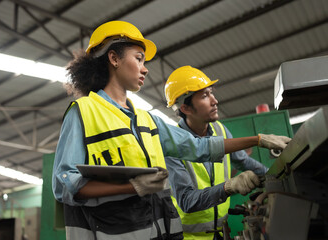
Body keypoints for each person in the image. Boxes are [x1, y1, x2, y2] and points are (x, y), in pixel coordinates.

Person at [52, 21, 291, 240]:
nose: (145, 69)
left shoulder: (147, 120)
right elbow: (64, 185)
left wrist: (260, 140)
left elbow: (199, 146)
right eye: (138, 58)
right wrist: (131, 187)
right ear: (114, 58)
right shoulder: (82, 112)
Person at [164, 66, 289, 240]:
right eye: (205, 96)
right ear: (185, 108)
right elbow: (187, 200)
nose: (214, 101)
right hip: (190, 237)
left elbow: (243, 161)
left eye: (211, 92)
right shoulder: (172, 146)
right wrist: (228, 187)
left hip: (221, 232)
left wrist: (276, 177)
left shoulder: (220, 130)